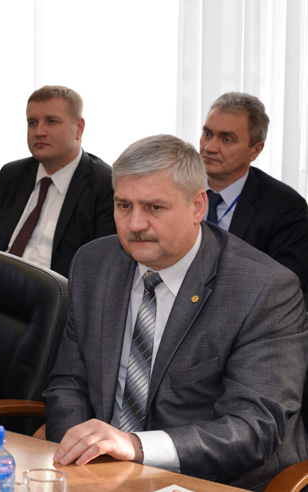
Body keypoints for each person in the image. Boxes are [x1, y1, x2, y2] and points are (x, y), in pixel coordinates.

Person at [43, 134, 308, 491]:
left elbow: (253, 427)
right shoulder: (94, 264)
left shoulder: (263, 289)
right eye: (124, 205)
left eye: (154, 207)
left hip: (211, 480)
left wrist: (136, 447)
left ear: (197, 206)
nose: (135, 224)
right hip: (100, 475)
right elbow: (69, 383)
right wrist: (81, 453)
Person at [0, 85, 115, 277]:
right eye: (32, 123)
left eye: (51, 121)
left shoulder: (104, 185)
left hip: (57, 293)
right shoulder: (12, 175)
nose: (39, 132)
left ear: (79, 128)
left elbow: (104, 268)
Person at [200, 92, 308, 291]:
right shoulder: (178, 188)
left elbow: (287, 287)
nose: (209, 147)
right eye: (207, 134)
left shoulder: (285, 207)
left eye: (227, 140)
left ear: (256, 150)